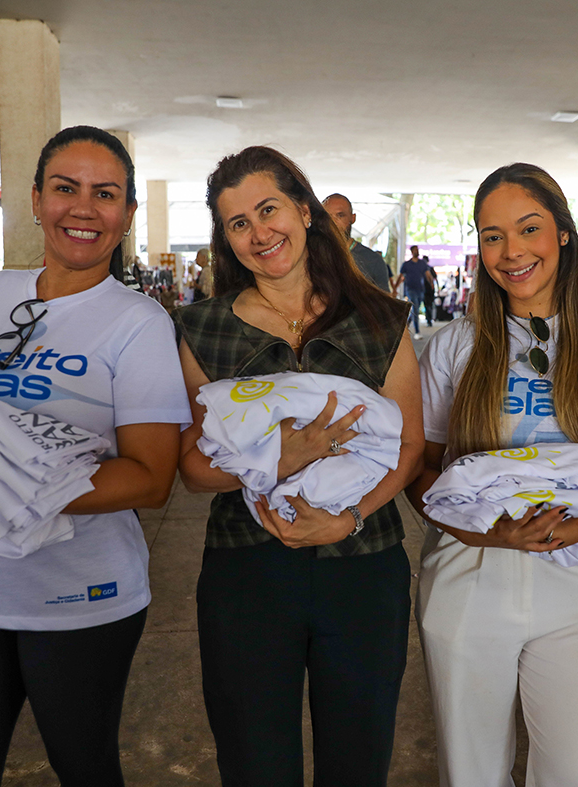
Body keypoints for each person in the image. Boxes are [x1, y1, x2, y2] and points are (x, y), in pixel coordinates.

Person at [0, 125, 191, 787]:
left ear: (127, 214)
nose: (83, 208)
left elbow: (150, 479)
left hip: (76, 593)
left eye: (104, 193)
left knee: (84, 768)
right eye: (65, 188)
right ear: (35, 199)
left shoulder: (138, 322)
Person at [407, 163, 578, 787]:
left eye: (528, 228)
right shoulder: (453, 345)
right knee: (470, 773)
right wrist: (485, 534)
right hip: (468, 577)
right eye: (492, 236)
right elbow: (422, 470)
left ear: (562, 235)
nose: (512, 251)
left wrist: (566, 533)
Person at [173, 145, 423, 786]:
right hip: (247, 569)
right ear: (227, 241)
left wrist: (350, 518)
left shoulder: (381, 318)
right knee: (254, 761)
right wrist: (279, 457)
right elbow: (194, 468)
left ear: (305, 212)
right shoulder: (202, 327)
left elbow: (409, 447)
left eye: (269, 210)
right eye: (239, 223)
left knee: (358, 758)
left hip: (362, 566)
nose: (260, 233)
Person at [323, 192, 393, 292]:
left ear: (353, 218)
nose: (333, 222)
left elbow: (384, 300)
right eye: (327, 216)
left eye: (340, 215)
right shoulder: (311, 256)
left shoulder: (373, 261)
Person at [393, 244, 432, 338]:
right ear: (411, 252)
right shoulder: (406, 264)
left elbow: (428, 274)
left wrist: (431, 283)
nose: (416, 251)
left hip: (420, 289)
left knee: (415, 309)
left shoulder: (422, 263)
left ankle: (405, 326)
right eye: (415, 250)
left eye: (417, 250)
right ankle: (417, 332)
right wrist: (395, 288)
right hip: (410, 289)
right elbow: (400, 276)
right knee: (415, 308)